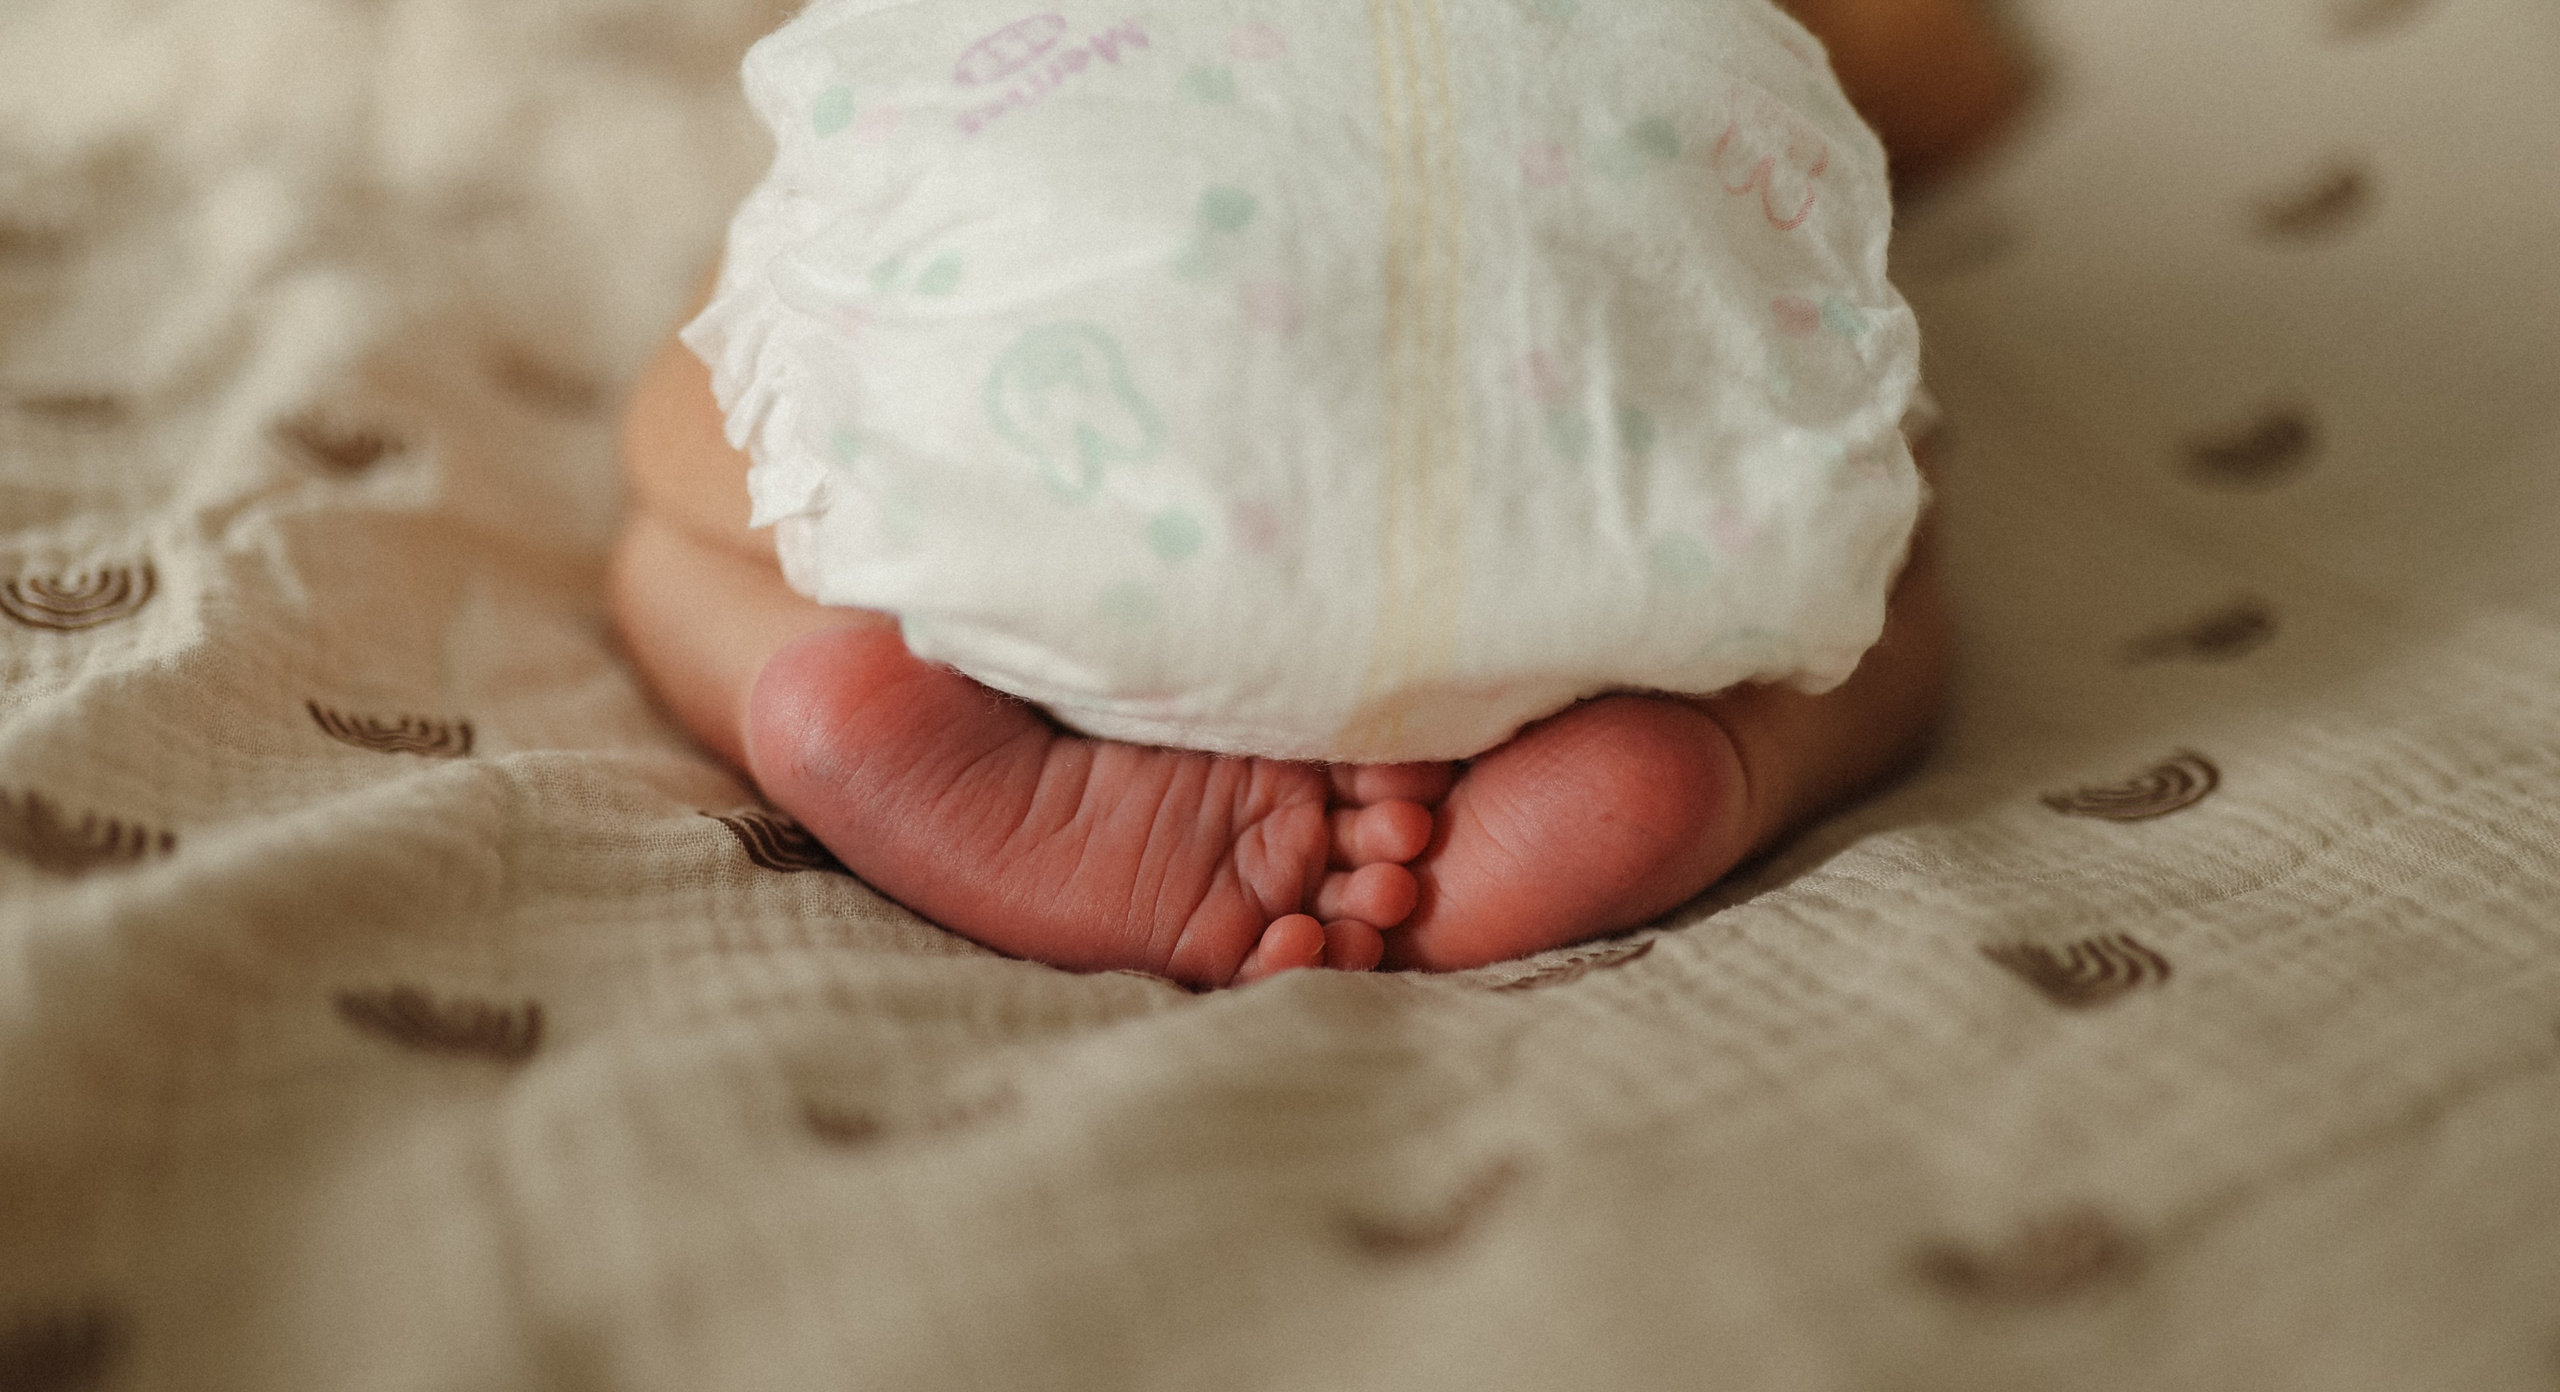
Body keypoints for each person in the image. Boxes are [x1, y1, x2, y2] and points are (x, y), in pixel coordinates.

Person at [612, 0, 2021, 989]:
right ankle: (1726, 756)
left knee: (697, 475)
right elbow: (1951, 79)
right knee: (1881, 543)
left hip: (1056, 357)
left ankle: (804, 682)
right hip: (1587, 444)